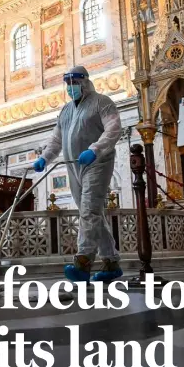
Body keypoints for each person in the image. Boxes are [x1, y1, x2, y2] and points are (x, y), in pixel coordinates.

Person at [33, 66, 123, 282]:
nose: (70, 88)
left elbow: (114, 129)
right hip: (74, 167)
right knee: (92, 214)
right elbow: (56, 139)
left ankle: (82, 263)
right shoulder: (65, 111)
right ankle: (111, 264)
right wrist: (45, 157)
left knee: (89, 212)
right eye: (68, 84)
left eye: (74, 83)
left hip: (97, 163)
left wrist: (95, 150)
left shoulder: (102, 102)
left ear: (84, 82)